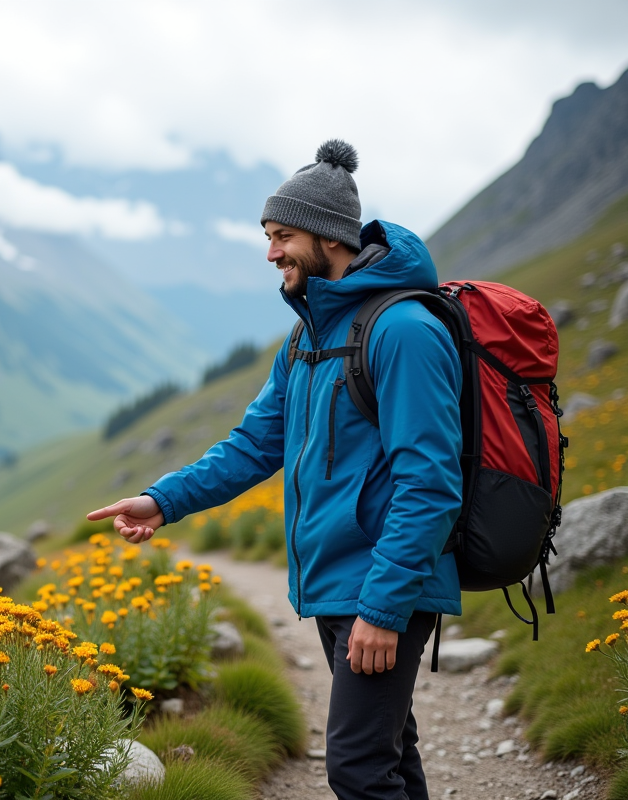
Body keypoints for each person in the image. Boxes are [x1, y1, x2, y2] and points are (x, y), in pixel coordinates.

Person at [88, 140, 462, 800]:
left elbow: (430, 482)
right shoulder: (308, 338)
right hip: (338, 585)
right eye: (268, 236)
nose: (271, 253)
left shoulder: (404, 330)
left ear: (326, 235)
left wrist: (382, 607)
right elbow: (253, 446)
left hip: (382, 585)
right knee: (386, 754)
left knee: (355, 766)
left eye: (282, 235)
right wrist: (161, 500)